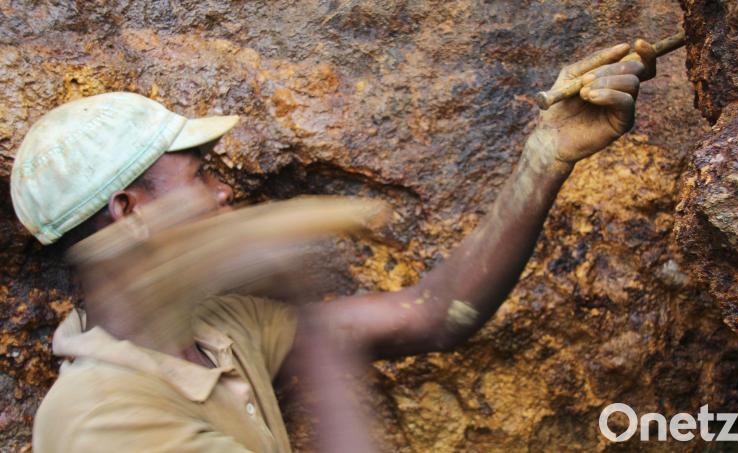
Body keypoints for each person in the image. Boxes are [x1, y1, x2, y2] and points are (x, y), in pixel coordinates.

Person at [13, 41, 657, 452]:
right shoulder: (101, 419)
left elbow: (434, 314)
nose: (223, 192)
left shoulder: (212, 330)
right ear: (130, 213)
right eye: (201, 174)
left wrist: (545, 155)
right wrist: (295, 288)